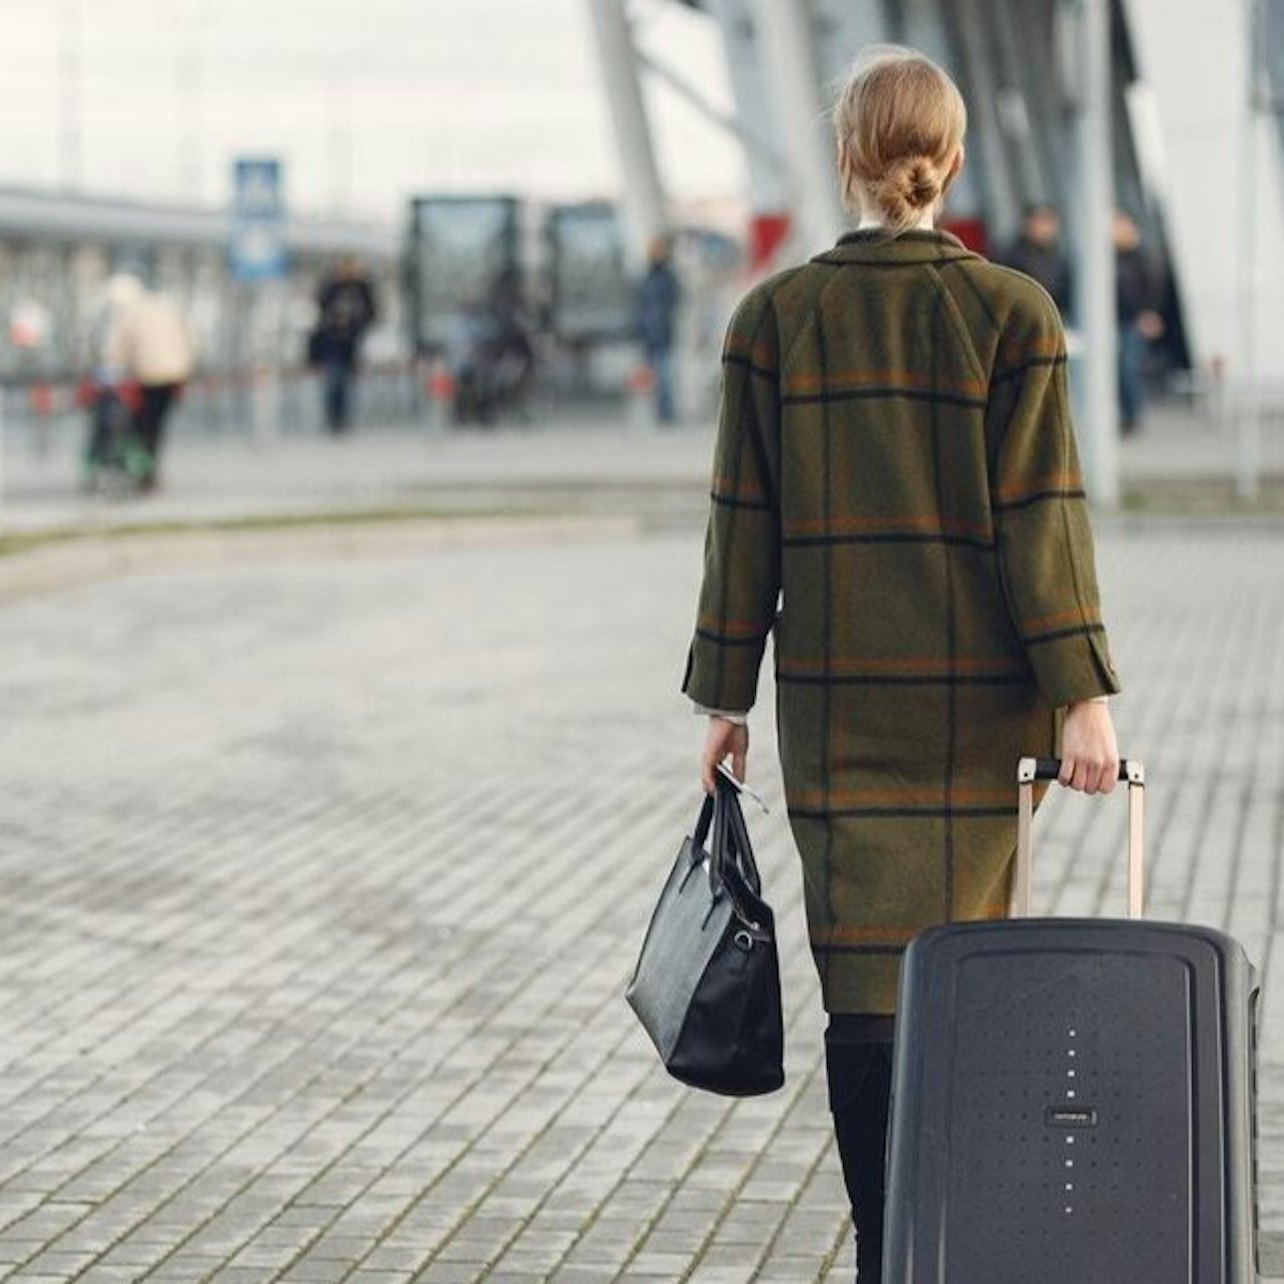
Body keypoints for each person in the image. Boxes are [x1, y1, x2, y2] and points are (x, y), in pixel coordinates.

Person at [682, 46, 1121, 1282]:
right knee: (960, 965)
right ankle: (952, 1237)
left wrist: (725, 699)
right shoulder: (1012, 314)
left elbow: (740, 528)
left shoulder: (772, 318)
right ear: (955, 159)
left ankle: (890, 1251)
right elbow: (1046, 522)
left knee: (866, 985)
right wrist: (1082, 698)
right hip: (981, 716)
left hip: (833, 710)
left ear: (846, 160)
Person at [102, 273, 197, 492]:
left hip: (149, 375)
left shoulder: (131, 315)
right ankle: (150, 471)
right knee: (158, 423)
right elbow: (190, 336)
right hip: (175, 373)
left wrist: (111, 368)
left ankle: (146, 472)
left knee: (144, 424)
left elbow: (117, 349)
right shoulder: (164, 305)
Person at [1113, 210, 1165, 434]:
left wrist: (1150, 314)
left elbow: (1156, 288)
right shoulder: (1107, 257)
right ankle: (1123, 414)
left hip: (1135, 320)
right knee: (1117, 368)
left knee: (1128, 367)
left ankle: (1133, 415)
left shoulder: (1145, 257)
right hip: (1112, 320)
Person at [313, 255, 378, 434]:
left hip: (352, 343)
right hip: (332, 342)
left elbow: (372, 312)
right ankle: (333, 418)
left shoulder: (362, 288)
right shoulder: (332, 287)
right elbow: (321, 305)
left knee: (348, 382)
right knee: (333, 380)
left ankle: (344, 418)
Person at [636, 235, 682, 424]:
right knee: (654, 374)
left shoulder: (666, 277)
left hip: (663, 332)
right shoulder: (647, 277)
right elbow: (640, 305)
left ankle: (666, 411)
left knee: (664, 373)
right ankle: (658, 410)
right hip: (649, 333)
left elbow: (675, 299)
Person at [1000, 202, 1071, 318]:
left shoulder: (1059, 257)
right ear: (1028, 223)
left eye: (1049, 222)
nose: (1046, 228)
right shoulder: (1012, 256)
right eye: (1041, 221)